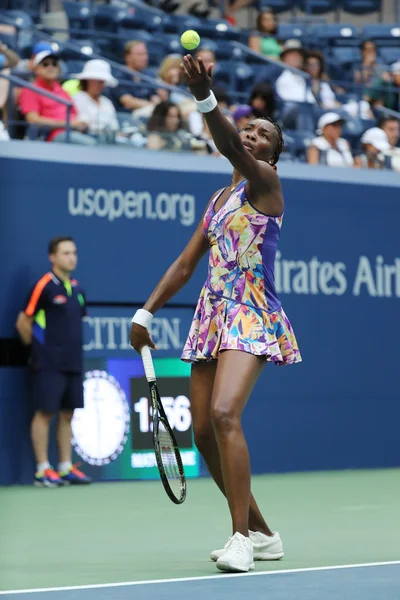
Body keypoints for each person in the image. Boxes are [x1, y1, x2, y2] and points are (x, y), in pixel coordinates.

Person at [130, 54, 301, 573]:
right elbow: (186, 264)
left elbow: (225, 142)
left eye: (262, 134)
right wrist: (145, 312)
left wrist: (204, 97)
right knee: (203, 431)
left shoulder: (265, 183)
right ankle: (265, 534)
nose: (252, 137)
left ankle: (240, 539)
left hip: (252, 311)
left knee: (226, 415)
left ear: (273, 152)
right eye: (248, 130)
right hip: (210, 313)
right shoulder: (220, 198)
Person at [16, 237, 92, 488]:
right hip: (47, 364)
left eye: (74, 252)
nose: (72, 257)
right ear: (53, 257)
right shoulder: (44, 286)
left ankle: (65, 467)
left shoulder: (78, 290)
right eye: (66, 253)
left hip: (72, 362)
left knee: (68, 414)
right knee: (44, 413)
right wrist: (40, 351)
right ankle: (42, 470)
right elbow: (23, 322)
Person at [18, 49, 94, 144]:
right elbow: (33, 120)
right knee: (93, 144)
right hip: (53, 136)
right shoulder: (30, 90)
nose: (51, 67)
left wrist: (80, 124)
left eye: (54, 64)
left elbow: (74, 114)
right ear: (36, 69)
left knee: (106, 140)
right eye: (45, 64)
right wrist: (67, 125)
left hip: (75, 132)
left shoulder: (61, 90)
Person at [71, 59, 119, 140]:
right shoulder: (77, 99)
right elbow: (81, 124)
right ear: (88, 80)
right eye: (98, 81)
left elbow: (114, 126)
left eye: (103, 82)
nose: (101, 85)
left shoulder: (107, 102)